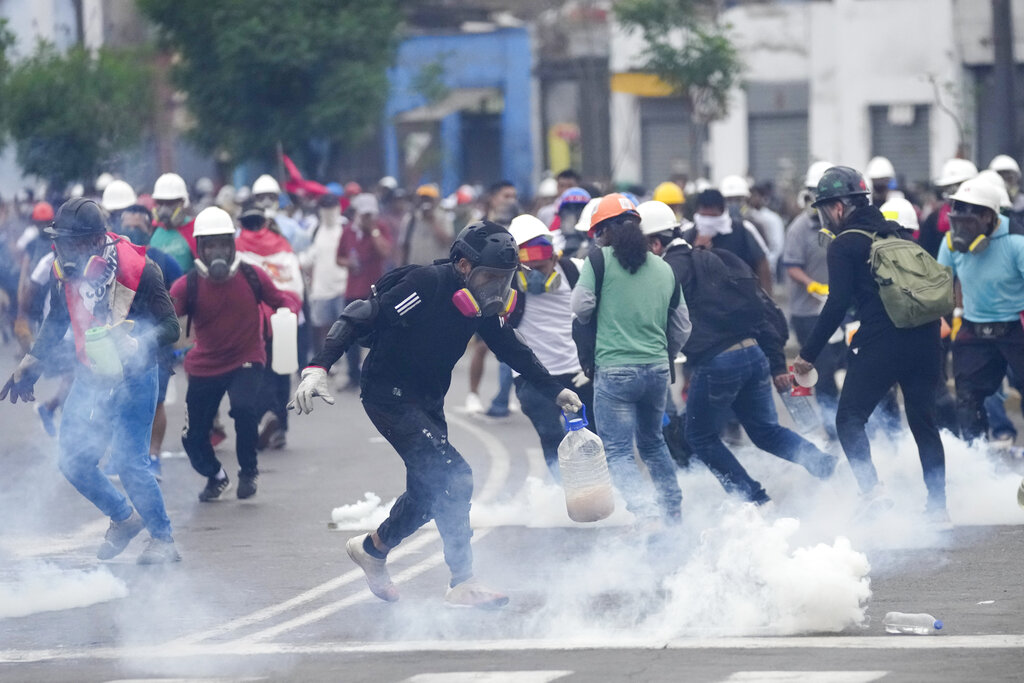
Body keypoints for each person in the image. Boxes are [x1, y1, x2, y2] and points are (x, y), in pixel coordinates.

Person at [291, 221, 582, 608]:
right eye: (490, 277)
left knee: (429, 490)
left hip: (428, 400)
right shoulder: (427, 284)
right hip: (388, 395)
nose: (497, 288)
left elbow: (512, 349)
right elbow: (362, 314)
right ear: (463, 266)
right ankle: (462, 580)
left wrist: (555, 390)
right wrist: (318, 366)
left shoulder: (481, 304)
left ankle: (373, 549)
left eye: (505, 279)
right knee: (455, 476)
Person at [1, 198, 182, 563]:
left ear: (97, 241)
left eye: (73, 241)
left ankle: (163, 540)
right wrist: (31, 364)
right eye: (62, 241)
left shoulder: (140, 270)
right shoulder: (62, 270)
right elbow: (56, 323)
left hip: (135, 376)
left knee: (130, 464)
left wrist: (137, 341)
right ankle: (123, 518)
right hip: (92, 376)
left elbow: (172, 327)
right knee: (71, 460)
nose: (65, 250)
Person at [641, 200, 837, 503]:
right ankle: (823, 464)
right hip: (754, 354)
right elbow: (763, 311)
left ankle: (753, 499)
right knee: (765, 431)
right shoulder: (719, 258)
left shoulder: (666, 272)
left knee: (700, 437)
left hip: (717, 362)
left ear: (655, 243)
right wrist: (774, 364)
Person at [792, 166, 947, 520]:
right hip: (925, 338)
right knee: (923, 421)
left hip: (883, 340)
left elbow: (836, 303)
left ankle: (872, 492)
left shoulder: (845, 243)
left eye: (824, 210)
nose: (825, 218)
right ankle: (939, 508)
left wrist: (808, 355)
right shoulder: (898, 233)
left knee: (849, 417)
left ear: (839, 208)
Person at [571, 194, 689, 528]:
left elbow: (580, 309)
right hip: (656, 371)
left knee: (619, 450)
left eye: (597, 234)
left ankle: (645, 512)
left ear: (605, 232)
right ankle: (672, 510)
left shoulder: (599, 260)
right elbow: (682, 326)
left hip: (615, 371)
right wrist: (663, 355)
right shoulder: (664, 267)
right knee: (653, 443)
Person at [171, 207, 301, 500]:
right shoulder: (188, 284)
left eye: (222, 243)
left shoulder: (252, 276)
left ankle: (249, 472)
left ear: (232, 244)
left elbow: (283, 299)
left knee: (244, 410)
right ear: (200, 248)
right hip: (204, 365)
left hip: (247, 357)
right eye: (210, 244)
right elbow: (166, 318)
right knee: (192, 437)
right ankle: (216, 476)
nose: (217, 250)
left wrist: (288, 312)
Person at [936, 177, 1024, 443]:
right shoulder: (951, 242)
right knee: (967, 397)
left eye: (969, 222)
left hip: (1014, 327)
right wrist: (940, 316)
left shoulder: (1016, 242)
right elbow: (940, 284)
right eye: (957, 220)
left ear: (988, 217)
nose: (961, 229)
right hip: (973, 327)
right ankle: (978, 458)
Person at [506, 213, 594, 479]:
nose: (534, 275)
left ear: (554, 257)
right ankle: (564, 493)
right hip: (533, 377)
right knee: (552, 437)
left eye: (541, 267)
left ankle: (597, 487)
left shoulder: (576, 271)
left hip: (577, 373)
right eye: (527, 269)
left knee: (591, 436)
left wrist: (592, 362)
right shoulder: (506, 284)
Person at [235, 204, 306, 450]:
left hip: (256, 322)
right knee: (282, 373)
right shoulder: (282, 246)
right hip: (285, 318)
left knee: (258, 371)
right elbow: (296, 285)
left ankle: (265, 417)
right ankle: (281, 428)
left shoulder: (237, 247)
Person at [781, 167, 845, 439]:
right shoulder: (798, 229)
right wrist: (812, 284)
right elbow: (791, 266)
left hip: (838, 309)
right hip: (808, 312)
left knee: (845, 366)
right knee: (824, 372)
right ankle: (832, 430)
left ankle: (846, 422)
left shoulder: (840, 225)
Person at [336, 193, 393, 391]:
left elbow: (385, 252)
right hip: (353, 289)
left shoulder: (380, 228)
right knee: (350, 333)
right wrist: (348, 263)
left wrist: (373, 231)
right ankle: (353, 375)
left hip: (375, 289)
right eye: (365, 215)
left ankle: (376, 375)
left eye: (371, 214)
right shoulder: (348, 231)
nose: (369, 218)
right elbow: (339, 257)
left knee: (378, 334)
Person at [683, 189, 773, 292]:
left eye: (712, 216)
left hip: (740, 297)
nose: (708, 222)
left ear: (721, 211)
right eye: (704, 216)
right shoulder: (688, 233)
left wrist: (766, 298)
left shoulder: (743, 230)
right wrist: (696, 250)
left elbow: (762, 264)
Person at [302, 194, 349, 356]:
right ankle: (327, 360)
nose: (329, 212)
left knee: (346, 326)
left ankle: (348, 362)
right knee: (322, 328)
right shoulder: (314, 230)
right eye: (325, 208)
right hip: (320, 288)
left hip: (343, 286)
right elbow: (308, 256)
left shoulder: (345, 228)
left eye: (332, 208)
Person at [918, 158, 978, 258]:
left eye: (957, 186)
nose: (951, 193)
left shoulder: (986, 216)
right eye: (948, 188)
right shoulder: (933, 219)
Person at [150, 172, 196, 273]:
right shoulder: (152, 230)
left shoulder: (194, 229)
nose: (164, 209)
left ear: (183, 202)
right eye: (160, 203)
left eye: (170, 203)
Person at [401, 184, 454, 266]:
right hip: (415, 269)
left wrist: (432, 222)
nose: (426, 202)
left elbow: (447, 241)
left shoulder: (443, 217)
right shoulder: (411, 219)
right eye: (423, 199)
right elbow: (404, 245)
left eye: (428, 199)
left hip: (436, 269)